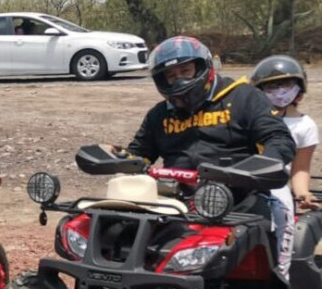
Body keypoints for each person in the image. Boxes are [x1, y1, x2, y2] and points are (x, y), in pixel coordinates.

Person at [124, 36, 295, 271]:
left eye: (185, 70)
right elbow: (139, 154)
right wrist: (119, 160)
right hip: (178, 204)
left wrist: (262, 164)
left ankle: (279, 288)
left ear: (204, 68)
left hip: (241, 198)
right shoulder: (159, 114)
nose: (178, 79)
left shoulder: (243, 96)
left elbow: (278, 138)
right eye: (171, 75)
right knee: (127, 241)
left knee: (262, 269)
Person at [251, 55, 319, 210]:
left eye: (286, 85)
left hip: (275, 186)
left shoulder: (305, 126)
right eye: (272, 86)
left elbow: (300, 168)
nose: (279, 91)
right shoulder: (248, 118)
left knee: (279, 208)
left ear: (299, 89)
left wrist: (302, 193)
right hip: (241, 182)